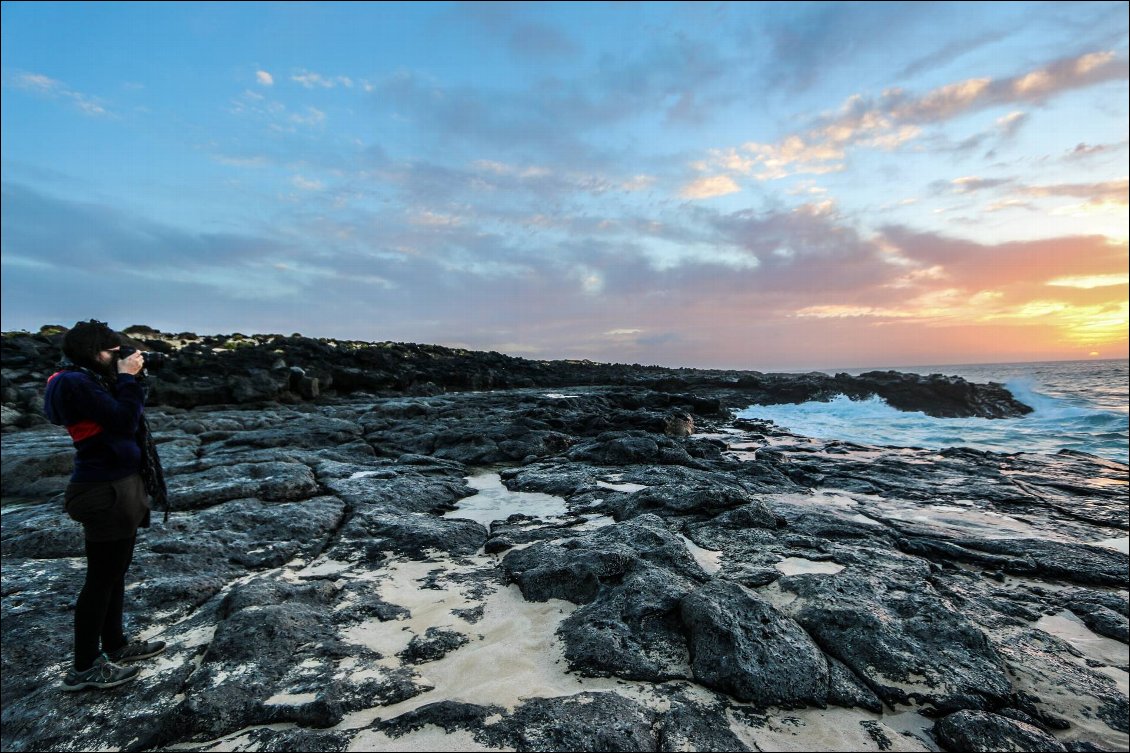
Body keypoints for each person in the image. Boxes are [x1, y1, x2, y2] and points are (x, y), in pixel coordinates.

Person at [43, 319, 168, 691]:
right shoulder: (73, 382)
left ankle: (115, 645)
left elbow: (125, 413)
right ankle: (83, 668)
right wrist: (127, 378)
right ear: (92, 352)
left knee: (115, 572)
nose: (119, 357)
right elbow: (122, 419)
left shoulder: (88, 379)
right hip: (102, 489)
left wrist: (131, 378)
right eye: (113, 351)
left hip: (121, 483)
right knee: (100, 579)